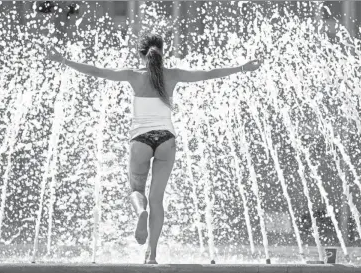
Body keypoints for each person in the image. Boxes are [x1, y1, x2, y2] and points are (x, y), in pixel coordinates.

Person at [46, 33, 262, 264]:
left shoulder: (133, 75)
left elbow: (97, 71)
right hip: (166, 140)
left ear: (140, 53)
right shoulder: (174, 75)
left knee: (135, 190)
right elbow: (209, 74)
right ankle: (151, 255)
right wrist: (242, 68)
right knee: (157, 199)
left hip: (140, 140)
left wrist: (63, 60)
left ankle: (141, 212)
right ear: (162, 52)